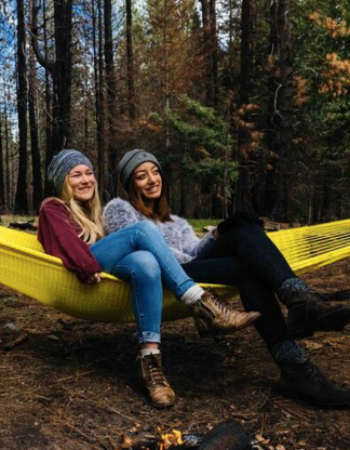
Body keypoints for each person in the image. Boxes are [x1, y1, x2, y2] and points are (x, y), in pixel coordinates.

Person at [103, 148, 350, 408]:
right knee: (244, 253)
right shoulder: (119, 209)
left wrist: (219, 232)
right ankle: (300, 313)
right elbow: (140, 246)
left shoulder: (175, 221)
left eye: (155, 172)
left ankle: (296, 353)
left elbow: (195, 251)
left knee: (243, 234)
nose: (152, 179)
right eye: (141, 176)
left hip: (189, 270)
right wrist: (207, 251)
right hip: (159, 275)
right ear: (131, 183)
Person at [38, 149, 259, 409]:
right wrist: (86, 266)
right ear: (62, 181)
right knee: (143, 230)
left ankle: (151, 365)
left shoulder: (93, 213)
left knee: (146, 262)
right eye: (76, 175)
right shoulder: (52, 206)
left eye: (89, 173)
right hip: (87, 268)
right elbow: (65, 243)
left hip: (105, 268)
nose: (86, 179)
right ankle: (201, 302)